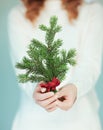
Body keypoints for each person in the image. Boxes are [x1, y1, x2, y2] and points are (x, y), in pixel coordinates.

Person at [8, 0, 103, 130]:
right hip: (33, 123)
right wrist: (36, 88)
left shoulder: (92, 11)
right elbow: (24, 67)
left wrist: (76, 87)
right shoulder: (19, 14)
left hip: (82, 122)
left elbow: (90, 64)